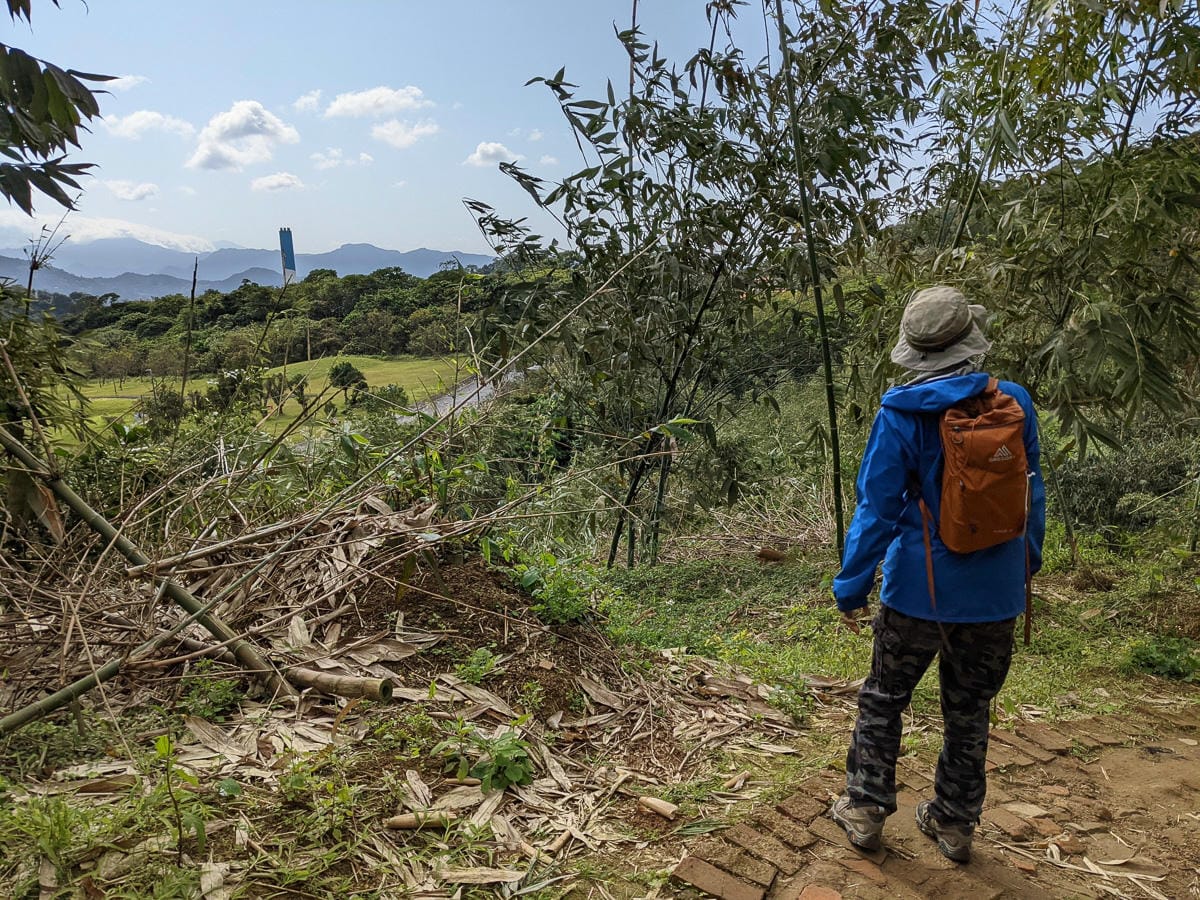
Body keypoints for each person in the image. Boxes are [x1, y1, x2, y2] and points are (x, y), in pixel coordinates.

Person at [828, 285, 1046, 863]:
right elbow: (1032, 495)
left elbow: (876, 508)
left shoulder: (900, 415)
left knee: (884, 698)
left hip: (915, 594)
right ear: (969, 341)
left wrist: (851, 584)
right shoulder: (1014, 401)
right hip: (995, 596)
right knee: (969, 711)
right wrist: (1025, 564)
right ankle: (954, 824)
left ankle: (867, 810)